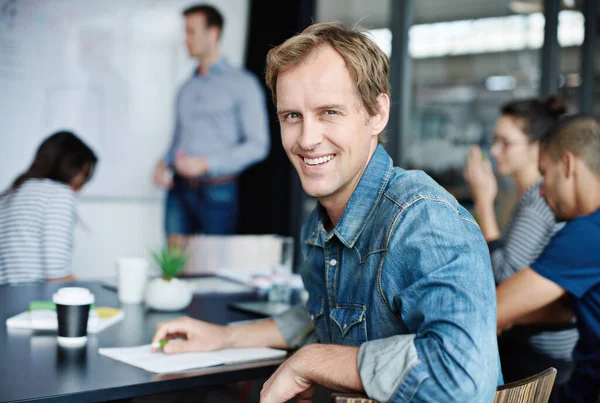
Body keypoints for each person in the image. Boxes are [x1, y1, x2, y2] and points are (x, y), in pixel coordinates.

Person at [152, 22, 500, 402]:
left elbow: (461, 379)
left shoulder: (423, 220)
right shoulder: (319, 225)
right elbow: (325, 318)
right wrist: (226, 336)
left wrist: (312, 361)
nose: (307, 139)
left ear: (376, 113)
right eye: (292, 116)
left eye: (330, 112)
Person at [464, 97, 577, 384]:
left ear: (537, 146)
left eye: (506, 142)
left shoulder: (537, 199)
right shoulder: (528, 195)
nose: (495, 150)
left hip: (540, 356)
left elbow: (503, 275)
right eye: (494, 141)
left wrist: (484, 202)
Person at [497, 114, 600, 402]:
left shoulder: (587, 235)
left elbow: (493, 311)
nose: (541, 191)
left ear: (567, 165)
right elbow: (564, 308)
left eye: (544, 174)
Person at [152, 4, 270, 248]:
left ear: (213, 33)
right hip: (178, 192)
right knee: (173, 267)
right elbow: (178, 139)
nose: (185, 40)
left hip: (218, 193)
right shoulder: (186, 88)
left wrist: (207, 163)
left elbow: (258, 145)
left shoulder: (243, 84)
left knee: (213, 272)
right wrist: (164, 161)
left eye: (191, 32)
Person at [0, 131, 97, 285]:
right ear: (69, 165)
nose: (81, 185)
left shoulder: (10, 194)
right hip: (34, 301)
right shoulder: (58, 194)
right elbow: (56, 273)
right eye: (84, 174)